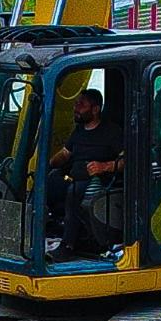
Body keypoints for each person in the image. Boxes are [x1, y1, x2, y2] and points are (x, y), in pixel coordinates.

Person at [46, 87, 125, 257]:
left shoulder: (111, 132)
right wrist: (46, 166)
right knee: (49, 183)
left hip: (97, 180)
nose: (76, 108)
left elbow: (127, 160)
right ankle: (47, 233)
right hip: (73, 176)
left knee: (75, 192)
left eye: (81, 105)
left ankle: (68, 245)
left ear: (95, 109)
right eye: (76, 104)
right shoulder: (79, 131)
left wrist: (105, 166)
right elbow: (65, 154)